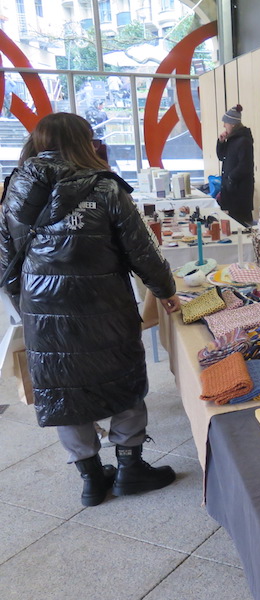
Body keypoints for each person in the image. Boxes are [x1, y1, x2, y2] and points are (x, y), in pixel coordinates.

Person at [0, 112, 182, 507]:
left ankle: (91, 479)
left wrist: (26, 306)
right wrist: (165, 290)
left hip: (41, 308)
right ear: (83, 142)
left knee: (62, 389)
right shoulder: (104, 186)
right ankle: (131, 468)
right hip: (105, 305)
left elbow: (5, 260)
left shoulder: (14, 188)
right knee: (122, 378)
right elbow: (141, 249)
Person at [216, 104, 254, 226]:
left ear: (232, 124)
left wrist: (230, 178)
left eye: (225, 123)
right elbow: (222, 157)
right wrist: (221, 142)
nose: (224, 125)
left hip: (240, 192)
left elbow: (246, 165)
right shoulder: (232, 140)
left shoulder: (244, 141)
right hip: (230, 190)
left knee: (240, 223)